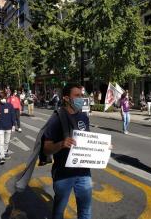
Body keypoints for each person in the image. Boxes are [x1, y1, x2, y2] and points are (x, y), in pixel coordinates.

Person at [43, 83, 92, 219]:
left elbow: (88, 140)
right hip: (63, 174)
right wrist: (61, 144)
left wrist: (103, 147)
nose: (81, 98)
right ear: (66, 98)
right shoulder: (56, 118)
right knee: (59, 211)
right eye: (77, 96)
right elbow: (46, 149)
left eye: (82, 95)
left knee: (86, 211)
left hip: (84, 172)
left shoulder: (84, 116)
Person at [0, 91, 16, 164]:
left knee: (6, 142)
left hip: (8, 127)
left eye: (4, 98)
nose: (3, 99)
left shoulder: (10, 105)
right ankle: (2, 157)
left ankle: (5, 152)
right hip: (0, 127)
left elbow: (13, 115)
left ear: (6, 97)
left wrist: (14, 125)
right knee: (1, 142)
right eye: (1, 98)